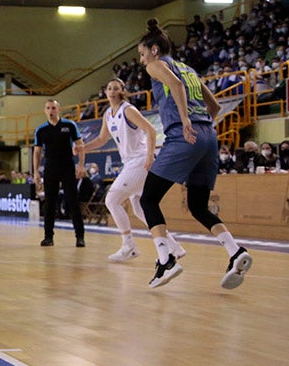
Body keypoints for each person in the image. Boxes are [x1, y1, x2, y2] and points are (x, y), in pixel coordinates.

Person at [135, 18, 253, 290]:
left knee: (148, 199)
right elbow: (214, 106)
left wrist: (187, 123)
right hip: (208, 136)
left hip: (184, 135)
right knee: (198, 206)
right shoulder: (188, 68)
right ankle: (235, 251)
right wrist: (201, 128)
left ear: (154, 50)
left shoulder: (157, 65)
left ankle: (166, 259)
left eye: (142, 54)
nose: (142, 61)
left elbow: (175, 86)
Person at [83, 79, 185, 262]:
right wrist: (84, 148)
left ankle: (128, 245)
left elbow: (151, 131)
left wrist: (149, 156)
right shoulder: (108, 114)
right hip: (130, 163)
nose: (112, 91)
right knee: (139, 209)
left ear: (123, 91)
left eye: (116, 88)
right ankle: (174, 247)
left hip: (140, 162)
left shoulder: (128, 110)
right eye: (109, 88)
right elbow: (102, 139)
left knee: (112, 200)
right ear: (105, 92)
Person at [32, 99, 86, 247]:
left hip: (67, 167)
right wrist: (36, 172)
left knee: (73, 202)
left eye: (54, 108)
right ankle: (48, 237)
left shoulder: (69, 125)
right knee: (49, 203)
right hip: (50, 168)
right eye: (48, 108)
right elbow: (37, 153)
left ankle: (80, 237)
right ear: (45, 111)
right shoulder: (41, 130)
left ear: (58, 109)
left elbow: (80, 145)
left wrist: (81, 165)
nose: (51, 110)